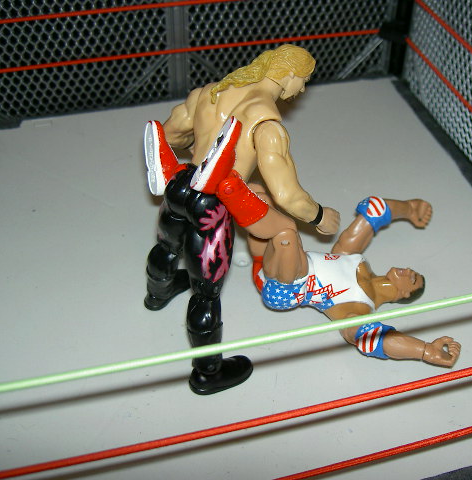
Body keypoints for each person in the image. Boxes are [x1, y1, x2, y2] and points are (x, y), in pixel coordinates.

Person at [143, 45, 340, 395]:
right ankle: (208, 372)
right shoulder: (266, 123)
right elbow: (287, 195)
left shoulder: (208, 93)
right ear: (289, 75)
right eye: (304, 80)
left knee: (167, 246)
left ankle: (157, 295)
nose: (302, 89)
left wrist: (202, 147)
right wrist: (321, 216)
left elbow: (172, 136)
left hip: (181, 185)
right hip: (211, 208)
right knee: (206, 294)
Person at [214, 175, 461, 367]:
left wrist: (425, 350)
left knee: (286, 232)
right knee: (258, 194)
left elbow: (374, 340)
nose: (407, 270)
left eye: (412, 278)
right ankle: (220, 195)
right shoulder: (355, 260)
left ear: (404, 294)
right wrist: (410, 208)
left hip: (285, 287)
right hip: (268, 258)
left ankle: (226, 194)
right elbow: (375, 211)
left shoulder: (359, 309)